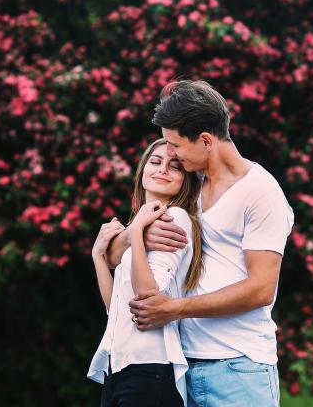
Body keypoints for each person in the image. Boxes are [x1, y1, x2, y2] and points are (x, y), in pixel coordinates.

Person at [106, 80, 294, 406]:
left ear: (206, 140)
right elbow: (112, 256)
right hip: (180, 366)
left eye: (176, 146)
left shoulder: (261, 192)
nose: (171, 154)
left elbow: (262, 289)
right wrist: (135, 233)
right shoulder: (190, 187)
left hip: (238, 368)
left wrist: (174, 308)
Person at [88, 138, 203, 407]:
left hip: (151, 370)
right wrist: (98, 256)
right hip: (118, 370)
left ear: (184, 181)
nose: (162, 169)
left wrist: (136, 232)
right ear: (142, 172)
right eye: (155, 162)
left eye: (174, 166)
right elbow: (116, 306)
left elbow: (147, 297)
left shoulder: (175, 218)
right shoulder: (140, 224)